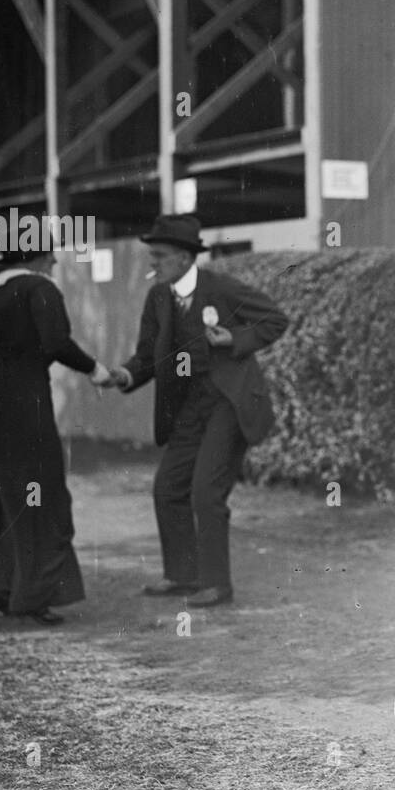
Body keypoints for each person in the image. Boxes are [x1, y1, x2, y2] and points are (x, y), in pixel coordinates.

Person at [109, 214, 288, 608]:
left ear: (185, 259)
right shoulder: (158, 297)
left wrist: (235, 338)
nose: (151, 263)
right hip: (189, 406)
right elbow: (147, 353)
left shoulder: (220, 288)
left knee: (206, 491)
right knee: (168, 488)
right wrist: (123, 374)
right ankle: (182, 576)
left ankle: (216, 584)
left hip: (227, 401)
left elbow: (275, 320)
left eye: (158, 255)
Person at [0, 243, 115, 625]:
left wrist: (8, 348)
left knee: (5, 498)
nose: (56, 262)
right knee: (43, 499)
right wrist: (96, 369)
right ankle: (31, 598)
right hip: (23, 407)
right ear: (37, 259)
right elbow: (57, 343)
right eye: (51, 256)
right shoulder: (40, 289)